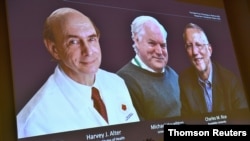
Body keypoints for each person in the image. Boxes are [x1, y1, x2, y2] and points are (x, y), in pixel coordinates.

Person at [16, 7, 139, 139]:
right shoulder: (34, 121)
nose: (89, 51)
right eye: (73, 42)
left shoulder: (116, 82)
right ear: (54, 49)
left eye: (91, 39)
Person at [117, 15, 181, 121]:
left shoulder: (172, 74)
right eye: (152, 43)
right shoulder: (123, 80)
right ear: (137, 41)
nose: (159, 51)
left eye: (163, 45)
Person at [179, 22, 249, 118]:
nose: (194, 52)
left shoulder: (231, 81)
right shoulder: (184, 81)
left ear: (209, 50)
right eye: (189, 46)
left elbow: (242, 120)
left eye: (199, 45)